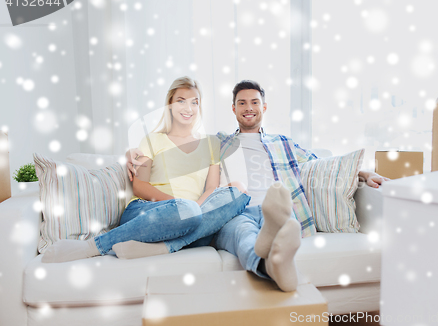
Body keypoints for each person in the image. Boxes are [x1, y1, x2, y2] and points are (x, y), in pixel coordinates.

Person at [126, 80, 389, 291]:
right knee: (242, 234)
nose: (248, 107)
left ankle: (274, 245)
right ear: (233, 109)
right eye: (242, 103)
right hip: (237, 213)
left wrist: (363, 173)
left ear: (264, 107)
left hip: (281, 210)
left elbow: (320, 163)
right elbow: (180, 144)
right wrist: (132, 154)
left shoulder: (283, 142)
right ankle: (268, 265)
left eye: (254, 102)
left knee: (283, 223)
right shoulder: (219, 143)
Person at [42, 76, 251, 263]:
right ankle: (93, 246)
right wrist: (179, 205)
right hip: (148, 210)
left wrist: (194, 210)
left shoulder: (211, 145)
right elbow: (140, 186)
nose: (188, 108)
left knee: (239, 191)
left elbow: (211, 190)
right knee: (191, 215)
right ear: (170, 104)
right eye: (181, 101)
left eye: (194, 102)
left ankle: (163, 246)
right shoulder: (152, 140)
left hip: (191, 215)